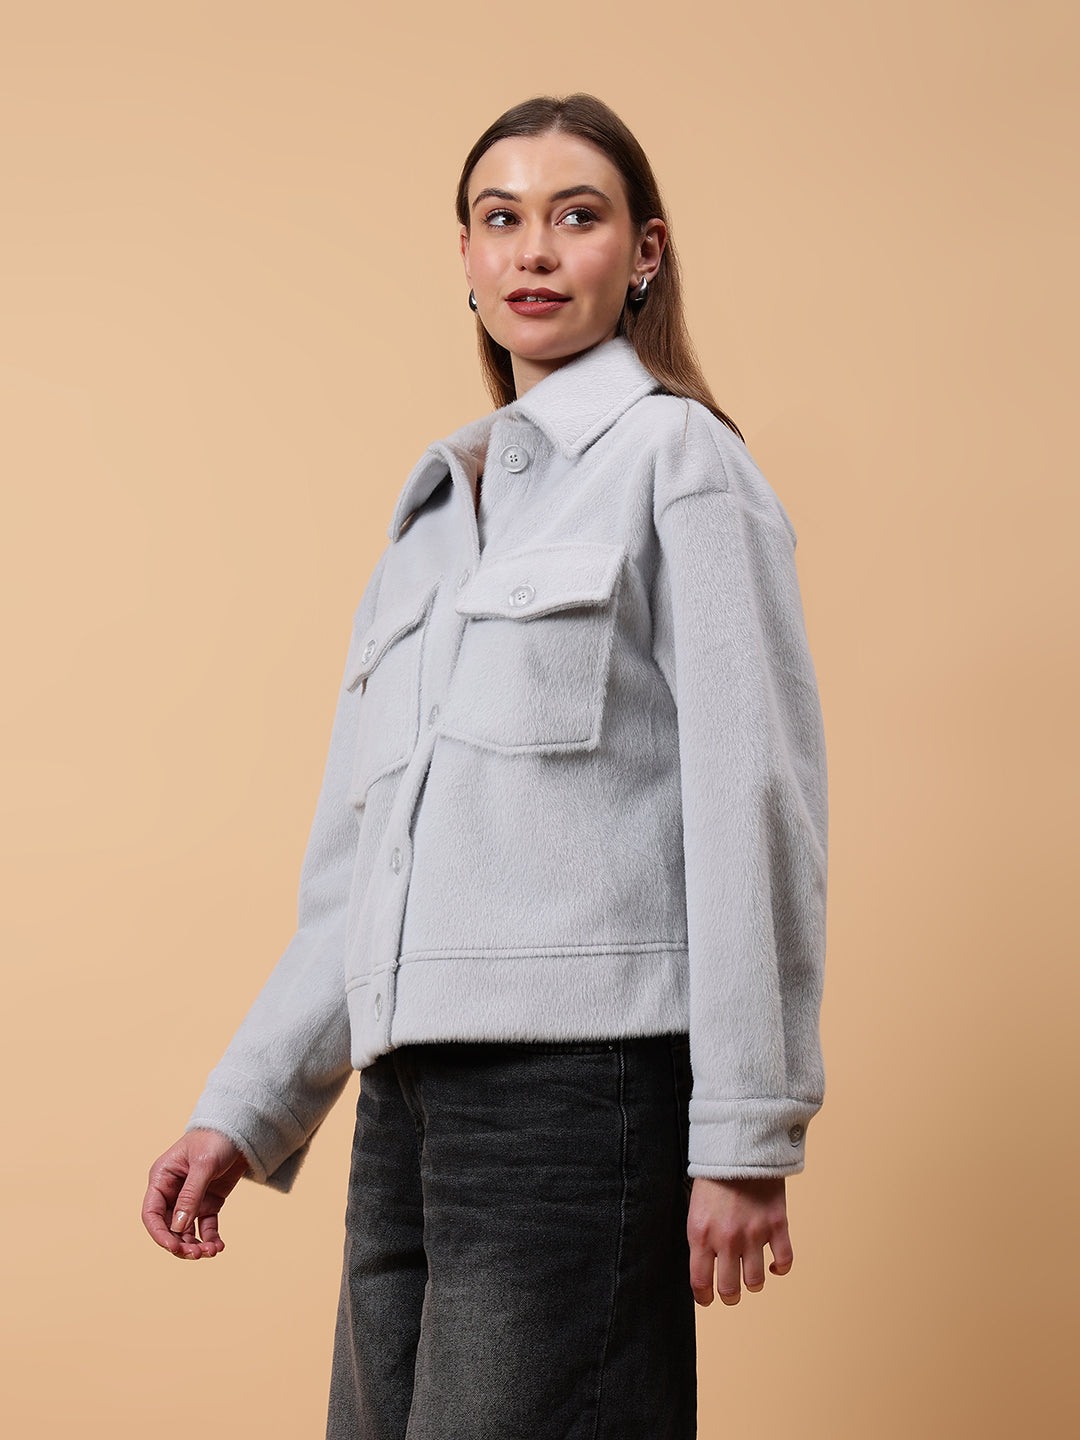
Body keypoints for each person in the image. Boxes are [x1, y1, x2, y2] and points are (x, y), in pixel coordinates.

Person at [142, 93, 829, 1439]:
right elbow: (361, 873)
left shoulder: (679, 461)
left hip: (579, 1095)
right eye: (501, 219)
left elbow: (755, 803)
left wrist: (748, 1130)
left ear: (644, 252)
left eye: (577, 216)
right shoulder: (431, 521)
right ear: (462, 254)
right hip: (405, 1105)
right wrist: (249, 1107)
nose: (535, 251)